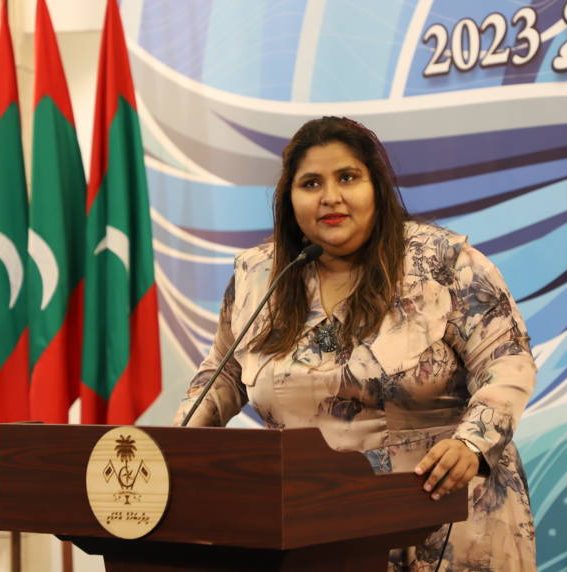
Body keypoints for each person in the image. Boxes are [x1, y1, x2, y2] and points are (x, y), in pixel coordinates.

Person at [174, 116, 537, 571]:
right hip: (314, 524)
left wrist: (472, 444)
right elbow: (224, 373)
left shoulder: (442, 261)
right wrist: (175, 448)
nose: (330, 196)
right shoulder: (259, 275)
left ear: (376, 187)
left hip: (444, 514)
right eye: (311, 183)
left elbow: (507, 362)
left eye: (347, 177)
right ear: (289, 198)